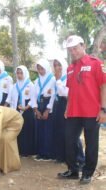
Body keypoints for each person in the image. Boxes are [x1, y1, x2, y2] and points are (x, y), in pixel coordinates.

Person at [57, 35, 106, 184]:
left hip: (92, 112)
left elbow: (103, 86)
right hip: (74, 111)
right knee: (69, 140)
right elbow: (71, 90)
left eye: (76, 48)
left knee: (91, 143)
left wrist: (103, 109)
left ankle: (87, 172)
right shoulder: (70, 68)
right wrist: (67, 108)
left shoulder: (96, 63)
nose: (73, 52)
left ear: (83, 46)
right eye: (71, 50)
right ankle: (73, 170)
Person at [51, 56, 85, 164]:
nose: (57, 67)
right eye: (55, 65)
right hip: (58, 104)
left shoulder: (67, 77)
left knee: (71, 133)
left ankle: (79, 158)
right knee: (59, 131)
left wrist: (58, 81)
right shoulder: (56, 78)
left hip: (67, 104)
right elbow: (54, 94)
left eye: (59, 65)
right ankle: (62, 156)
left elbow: (66, 93)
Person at [6, 65, 36, 156]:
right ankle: (18, 150)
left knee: (27, 131)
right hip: (16, 111)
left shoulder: (30, 84)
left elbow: (33, 98)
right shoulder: (14, 86)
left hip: (27, 111)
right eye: (18, 73)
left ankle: (27, 151)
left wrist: (26, 107)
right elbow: (10, 98)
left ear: (25, 73)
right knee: (18, 131)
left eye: (21, 73)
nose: (19, 75)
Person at [32, 59, 56, 161]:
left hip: (47, 105)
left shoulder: (52, 79)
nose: (40, 71)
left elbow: (53, 96)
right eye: (38, 69)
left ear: (46, 68)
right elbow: (33, 96)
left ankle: (48, 153)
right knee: (39, 130)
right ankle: (40, 153)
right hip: (39, 105)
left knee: (48, 130)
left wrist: (48, 110)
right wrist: (36, 109)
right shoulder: (36, 81)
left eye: (42, 68)